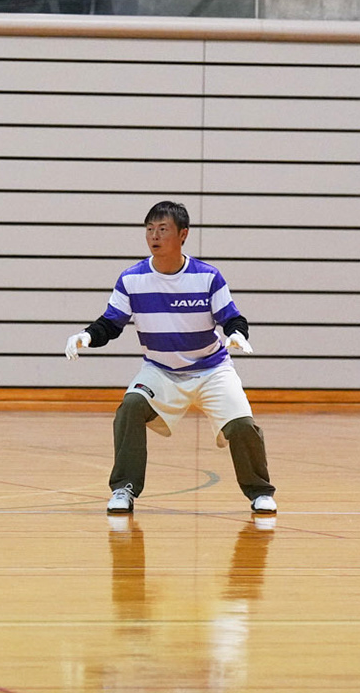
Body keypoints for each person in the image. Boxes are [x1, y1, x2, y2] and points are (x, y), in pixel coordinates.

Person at [64, 200, 276, 517]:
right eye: (150, 229)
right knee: (130, 407)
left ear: (183, 234)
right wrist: (87, 335)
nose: (154, 235)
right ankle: (124, 489)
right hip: (160, 371)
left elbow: (232, 317)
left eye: (163, 229)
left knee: (243, 425)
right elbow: (110, 323)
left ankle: (260, 492)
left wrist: (237, 334)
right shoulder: (132, 279)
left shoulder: (207, 277)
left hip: (212, 370)